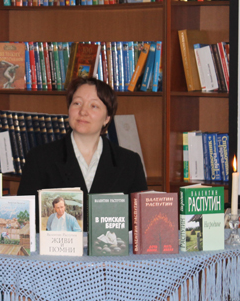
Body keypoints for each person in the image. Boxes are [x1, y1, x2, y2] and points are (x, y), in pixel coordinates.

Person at [18, 77, 147, 231]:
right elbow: (26, 220)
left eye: (94, 106)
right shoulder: (39, 158)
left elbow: (138, 223)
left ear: (107, 118)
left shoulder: (129, 163)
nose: (83, 112)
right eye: (77, 103)